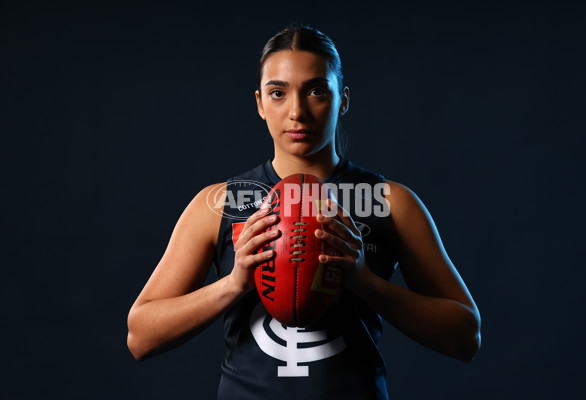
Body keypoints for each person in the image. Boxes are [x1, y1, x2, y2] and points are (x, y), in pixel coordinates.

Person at [127, 24, 481, 399]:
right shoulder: (221, 202)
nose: (297, 112)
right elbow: (140, 336)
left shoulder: (387, 200)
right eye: (278, 93)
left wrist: (365, 281)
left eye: (315, 91)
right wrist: (233, 284)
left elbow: (465, 337)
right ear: (260, 103)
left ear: (342, 99)